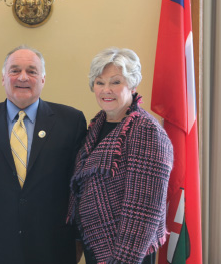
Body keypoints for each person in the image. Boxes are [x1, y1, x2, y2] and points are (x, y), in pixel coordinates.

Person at [0, 45, 87, 264]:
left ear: (43, 79)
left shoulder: (71, 121)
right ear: (3, 78)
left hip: (54, 248)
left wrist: (78, 239)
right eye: (14, 70)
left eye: (32, 71)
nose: (23, 77)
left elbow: (79, 188)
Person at [67, 47, 173, 263]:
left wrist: (123, 259)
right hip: (96, 242)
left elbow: (144, 211)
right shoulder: (97, 125)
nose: (107, 90)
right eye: (99, 82)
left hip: (127, 251)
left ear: (132, 85)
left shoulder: (146, 130)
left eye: (116, 82)